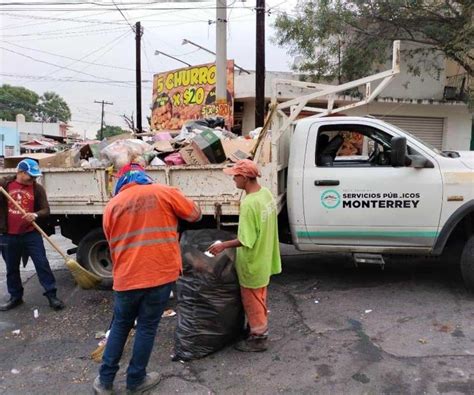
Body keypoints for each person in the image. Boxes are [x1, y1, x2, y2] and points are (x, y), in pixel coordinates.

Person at [93, 168, 201, 395]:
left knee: (120, 326)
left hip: (126, 278)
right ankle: (136, 380)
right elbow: (194, 215)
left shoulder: (112, 205)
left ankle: (104, 382)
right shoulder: (163, 192)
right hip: (160, 275)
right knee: (146, 327)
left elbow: (111, 241)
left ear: (122, 184)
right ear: (146, 180)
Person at [208, 159, 281, 352]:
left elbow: (246, 240)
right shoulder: (265, 194)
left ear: (246, 177)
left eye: (235, 176)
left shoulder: (249, 203)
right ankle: (256, 329)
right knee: (260, 296)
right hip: (265, 257)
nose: (234, 180)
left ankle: (258, 338)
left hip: (252, 261)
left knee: (252, 301)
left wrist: (222, 245)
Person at [0, 158, 65, 311]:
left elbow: (46, 210)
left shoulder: (37, 188)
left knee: (42, 264)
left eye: (35, 176)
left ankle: (51, 295)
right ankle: (15, 297)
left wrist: (35, 215)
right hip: (8, 235)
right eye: (31, 176)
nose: (33, 179)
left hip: (31, 234)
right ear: (21, 172)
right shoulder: (5, 185)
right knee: (11, 268)